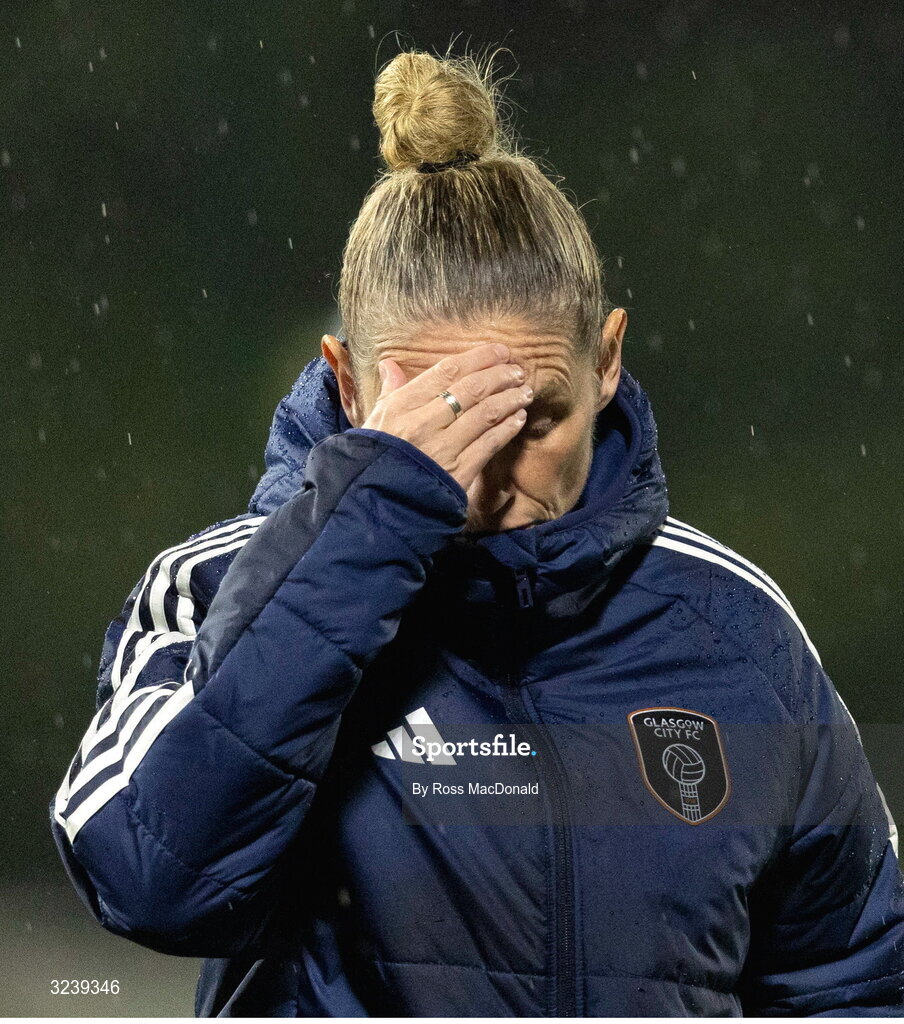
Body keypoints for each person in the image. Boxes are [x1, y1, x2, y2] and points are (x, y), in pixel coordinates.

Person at [49, 48, 903, 1017]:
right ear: (344, 380)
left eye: (530, 415)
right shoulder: (210, 592)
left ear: (607, 360)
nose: (480, 474)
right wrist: (374, 514)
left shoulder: (738, 634)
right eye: (437, 415)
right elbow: (150, 877)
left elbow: (858, 980)